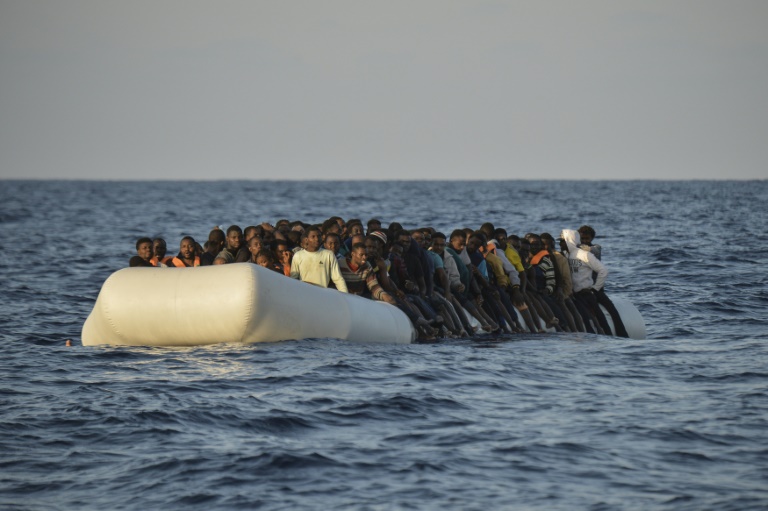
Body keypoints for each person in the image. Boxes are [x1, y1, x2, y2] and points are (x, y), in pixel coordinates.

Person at [560, 228, 613, 335]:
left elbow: (603, 270)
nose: (560, 244)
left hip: (587, 292)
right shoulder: (564, 255)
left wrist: (595, 288)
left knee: (604, 316)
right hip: (574, 294)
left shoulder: (585, 253)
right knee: (585, 316)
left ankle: (609, 335)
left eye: (562, 241)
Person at [289, 226, 348, 292]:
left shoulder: (328, 254)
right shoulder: (298, 255)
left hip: (321, 294)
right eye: (313, 237)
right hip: (303, 293)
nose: (317, 239)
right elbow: (294, 278)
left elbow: (338, 279)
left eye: (318, 236)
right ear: (306, 239)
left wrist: (345, 296)